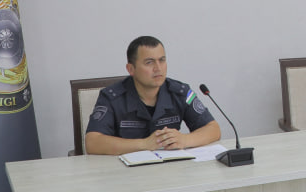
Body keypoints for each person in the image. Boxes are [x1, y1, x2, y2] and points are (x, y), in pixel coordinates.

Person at [85, 35, 222, 155]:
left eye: (162, 60)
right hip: (126, 172)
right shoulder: (111, 97)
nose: (158, 68)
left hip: (171, 169)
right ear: (131, 69)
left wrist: (184, 139)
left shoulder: (180, 92)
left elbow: (213, 129)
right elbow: (92, 142)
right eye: (149, 62)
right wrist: (144, 144)